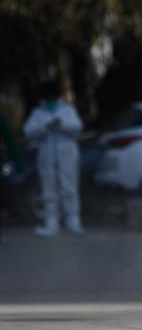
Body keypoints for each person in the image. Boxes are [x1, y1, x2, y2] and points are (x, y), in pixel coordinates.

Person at [23, 80, 84, 237]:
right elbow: (28, 131)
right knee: (49, 190)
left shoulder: (67, 110)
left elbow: (77, 127)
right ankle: (51, 223)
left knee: (69, 188)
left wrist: (62, 125)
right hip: (47, 155)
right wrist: (44, 127)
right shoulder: (38, 113)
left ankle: (73, 221)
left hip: (67, 154)